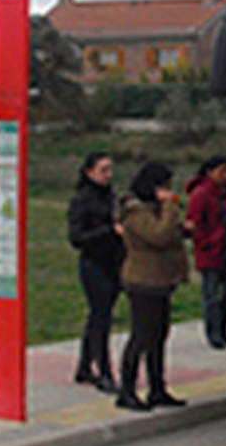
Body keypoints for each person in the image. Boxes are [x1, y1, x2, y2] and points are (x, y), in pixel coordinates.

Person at [115, 161, 190, 411]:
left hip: (161, 280)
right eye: (165, 187)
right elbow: (158, 236)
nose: (169, 191)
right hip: (142, 281)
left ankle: (157, 388)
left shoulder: (152, 209)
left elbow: (167, 232)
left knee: (159, 335)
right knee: (141, 336)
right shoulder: (135, 211)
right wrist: (170, 206)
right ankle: (126, 390)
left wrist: (183, 229)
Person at [66, 152, 123, 394]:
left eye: (110, 169)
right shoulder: (83, 200)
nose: (108, 175)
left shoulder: (110, 197)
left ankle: (84, 366)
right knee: (101, 318)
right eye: (103, 170)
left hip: (114, 261)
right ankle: (104, 371)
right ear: (89, 172)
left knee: (99, 315)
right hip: (94, 263)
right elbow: (77, 238)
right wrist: (109, 231)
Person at [186, 156, 226, 350]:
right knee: (212, 294)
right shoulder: (201, 194)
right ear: (209, 172)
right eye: (221, 171)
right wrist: (206, 243)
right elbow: (195, 223)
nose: (224, 176)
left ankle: (223, 328)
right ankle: (213, 332)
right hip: (211, 251)